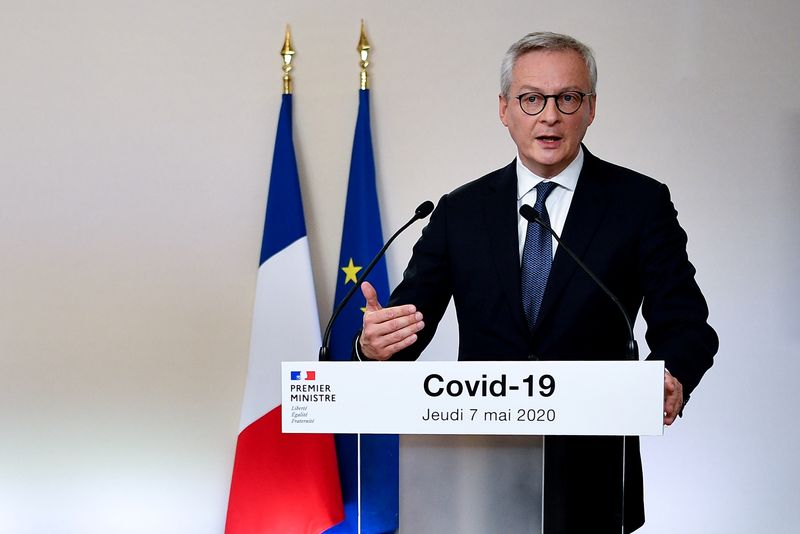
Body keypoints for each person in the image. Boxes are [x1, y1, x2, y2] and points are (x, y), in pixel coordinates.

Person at [355, 32, 717, 533]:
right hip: (477, 471)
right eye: (531, 99)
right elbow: (405, 330)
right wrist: (372, 344)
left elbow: (687, 327)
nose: (550, 115)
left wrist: (671, 374)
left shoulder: (639, 204)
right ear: (505, 109)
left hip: (593, 476)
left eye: (568, 98)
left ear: (591, 109)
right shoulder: (460, 211)